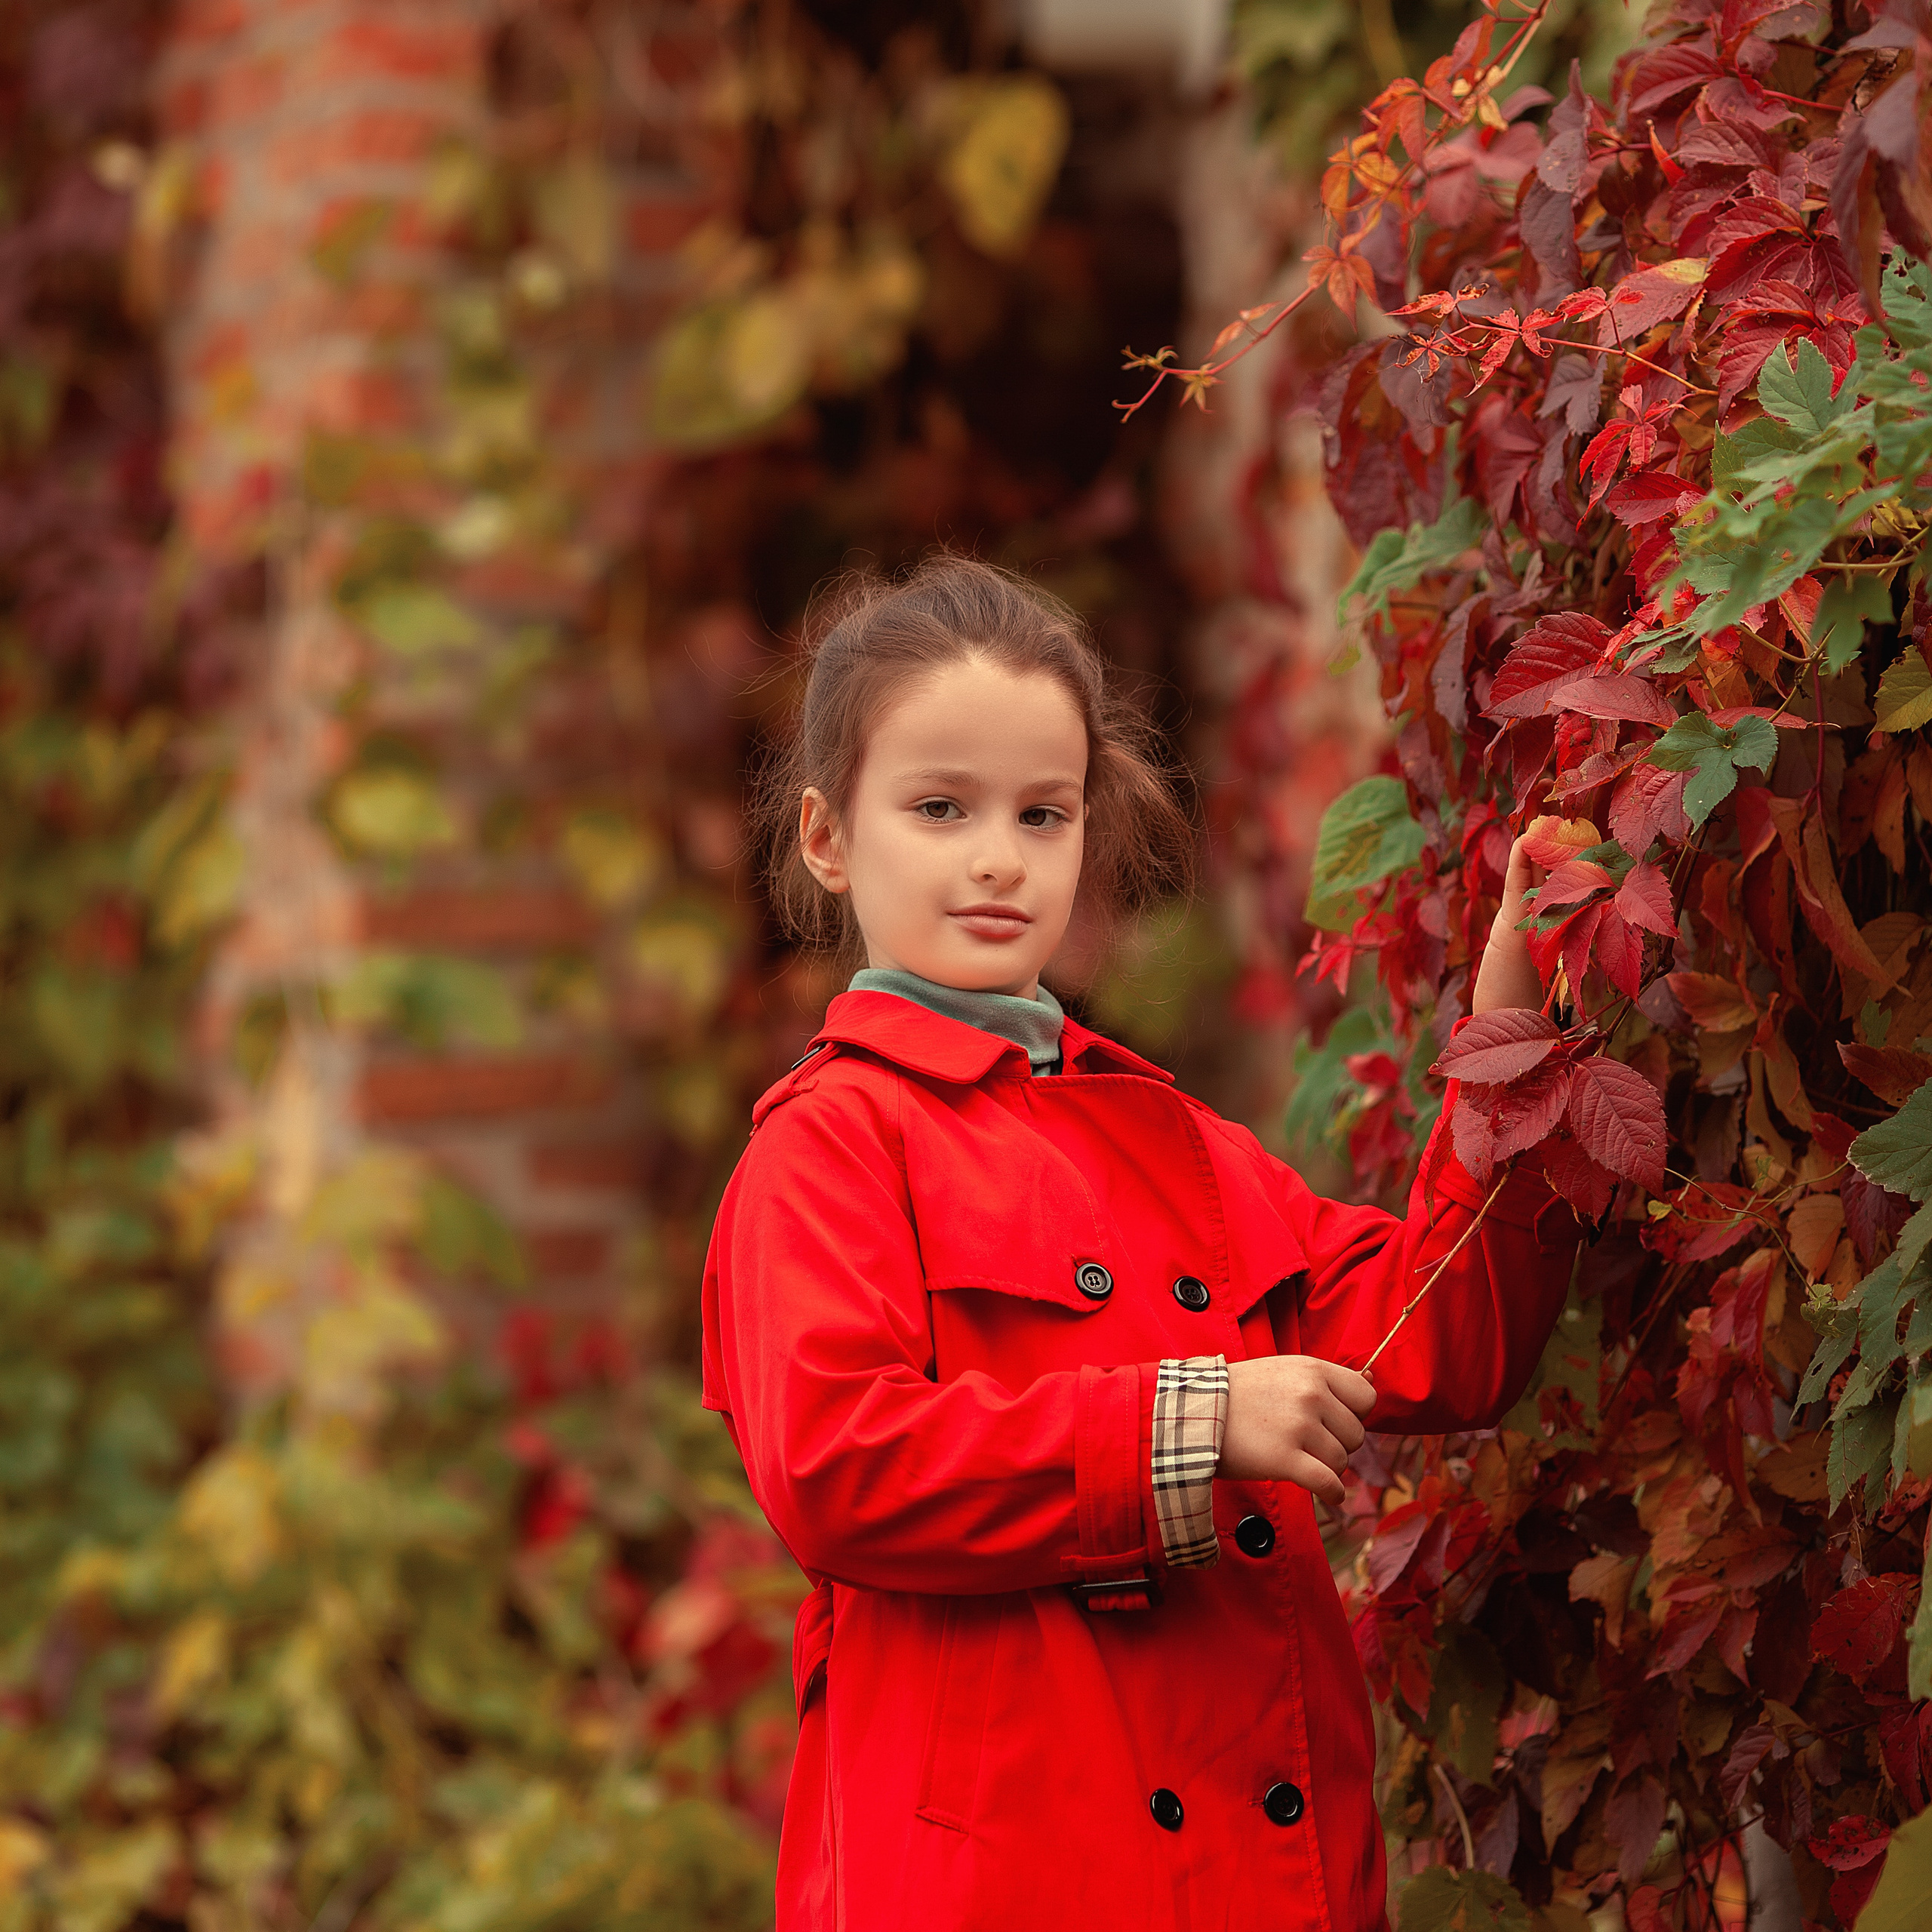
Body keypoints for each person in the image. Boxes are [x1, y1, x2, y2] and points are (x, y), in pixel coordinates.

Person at [700, 555, 1579, 1931]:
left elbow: (1443, 1339)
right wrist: (1193, 1420)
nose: (999, 857)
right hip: (1011, 1883)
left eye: (1042, 814)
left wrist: (1517, 1028)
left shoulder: (1171, 1140)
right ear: (827, 836)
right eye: (939, 807)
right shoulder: (827, 1146)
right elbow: (839, 1466)